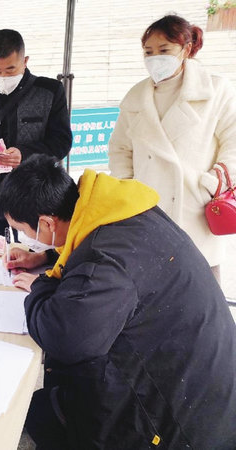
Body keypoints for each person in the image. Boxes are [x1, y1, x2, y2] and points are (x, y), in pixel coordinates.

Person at [0, 154, 236, 448]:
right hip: (201, 384)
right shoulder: (116, 209)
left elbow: (64, 337)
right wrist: (45, 256)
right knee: (46, 406)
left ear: (46, 222)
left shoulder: (105, 261)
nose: (25, 238)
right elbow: (86, 243)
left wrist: (41, 286)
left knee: (39, 415)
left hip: (180, 423)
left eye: (23, 231)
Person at [108, 14, 236, 281]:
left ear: (186, 49)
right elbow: (120, 149)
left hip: (195, 207)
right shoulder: (136, 96)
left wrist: (213, 181)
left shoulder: (215, 90)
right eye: (148, 52)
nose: (155, 58)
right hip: (147, 209)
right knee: (152, 288)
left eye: (164, 50)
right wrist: (127, 187)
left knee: (202, 287)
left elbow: (233, 140)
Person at [0, 29, 72, 236]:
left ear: (25, 61)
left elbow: (62, 141)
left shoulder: (50, 91)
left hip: (35, 200)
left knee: (35, 253)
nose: (3, 77)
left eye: (10, 70)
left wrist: (25, 155)